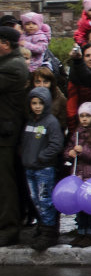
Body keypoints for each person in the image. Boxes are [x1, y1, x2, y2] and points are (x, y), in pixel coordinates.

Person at [21, 86, 63, 251]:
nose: (37, 106)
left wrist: (41, 157)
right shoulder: (30, 122)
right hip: (29, 167)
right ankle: (43, 226)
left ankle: (49, 231)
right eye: (34, 103)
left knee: (45, 199)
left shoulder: (51, 122)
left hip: (44, 169)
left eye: (40, 103)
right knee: (35, 200)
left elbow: (55, 144)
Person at [0, 26, 31, 246]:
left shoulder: (14, 66)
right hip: (6, 132)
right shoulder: (8, 63)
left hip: (6, 135)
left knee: (6, 185)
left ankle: (9, 229)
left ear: (5, 44)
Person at [63, 101, 91, 247]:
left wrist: (83, 152)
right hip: (78, 175)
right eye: (81, 116)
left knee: (90, 208)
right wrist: (69, 153)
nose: (84, 119)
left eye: (87, 116)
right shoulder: (76, 133)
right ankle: (81, 232)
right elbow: (68, 150)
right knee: (80, 207)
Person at [66, 43, 91, 132]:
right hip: (80, 125)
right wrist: (73, 129)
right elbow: (72, 104)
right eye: (87, 55)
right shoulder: (75, 75)